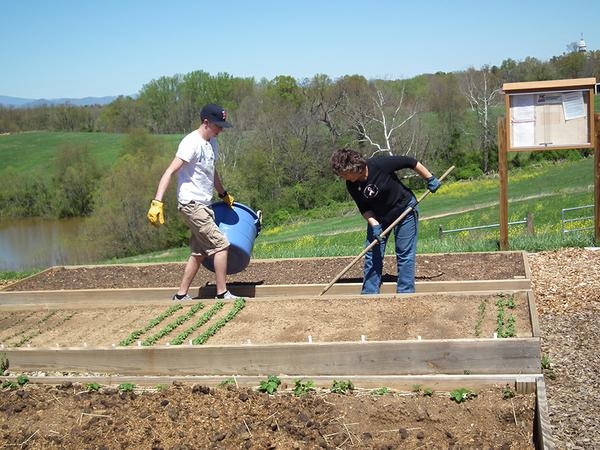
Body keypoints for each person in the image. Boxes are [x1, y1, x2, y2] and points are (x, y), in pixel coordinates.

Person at [147, 103, 240, 300]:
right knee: (221, 245)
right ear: (206, 122)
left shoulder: (212, 143)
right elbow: (170, 171)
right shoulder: (191, 143)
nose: (221, 130)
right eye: (218, 125)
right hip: (191, 204)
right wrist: (157, 202)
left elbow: (212, 173)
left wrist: (223, 194)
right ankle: (222, 293)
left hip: (204, 206)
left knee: (199, 253)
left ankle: (181, 295)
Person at [330, 148, 441, 294]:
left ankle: (405, 293)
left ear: (354, 167)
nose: (343, 177)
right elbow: (364, 208)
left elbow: (410, 162)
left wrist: (429, 178)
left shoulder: (379, 164)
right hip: (379, 217)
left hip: (404, 210)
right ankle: (369, 293)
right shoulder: (352, 184)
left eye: (344, 173)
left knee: (404, 253)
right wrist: (375, 225)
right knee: (372, 253)